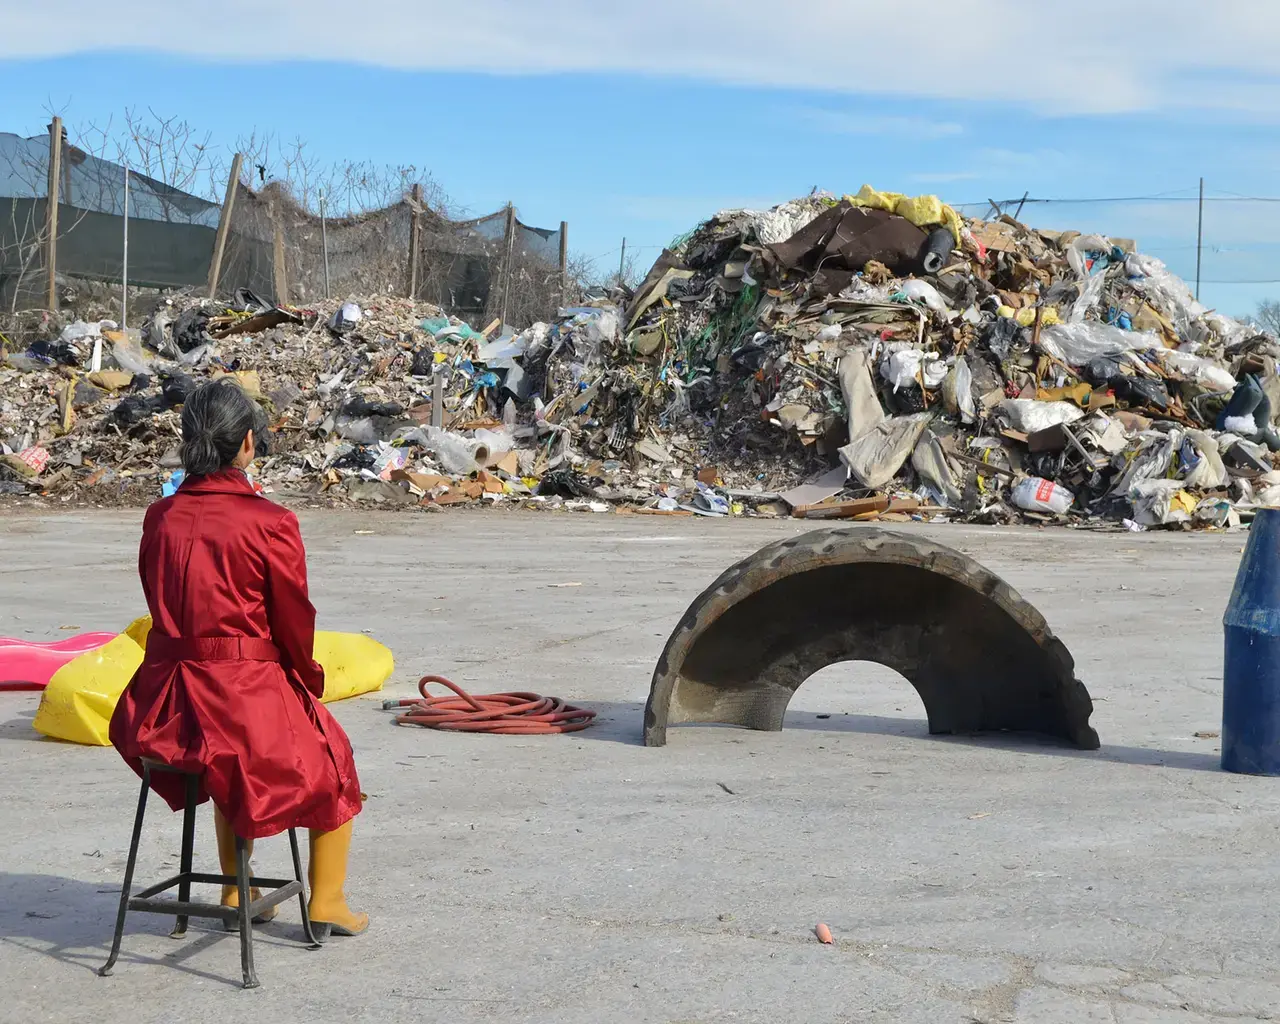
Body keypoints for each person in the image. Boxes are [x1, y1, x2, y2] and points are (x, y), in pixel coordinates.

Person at [109, 378, 367, 939]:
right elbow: (294, 620)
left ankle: (237, 885)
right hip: (241, 690)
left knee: (222, 758)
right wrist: (306, 678)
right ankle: (327, 900)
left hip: (163, 703)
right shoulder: (270, 522)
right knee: (332, 757)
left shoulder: (160, 516)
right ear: (248, 443)